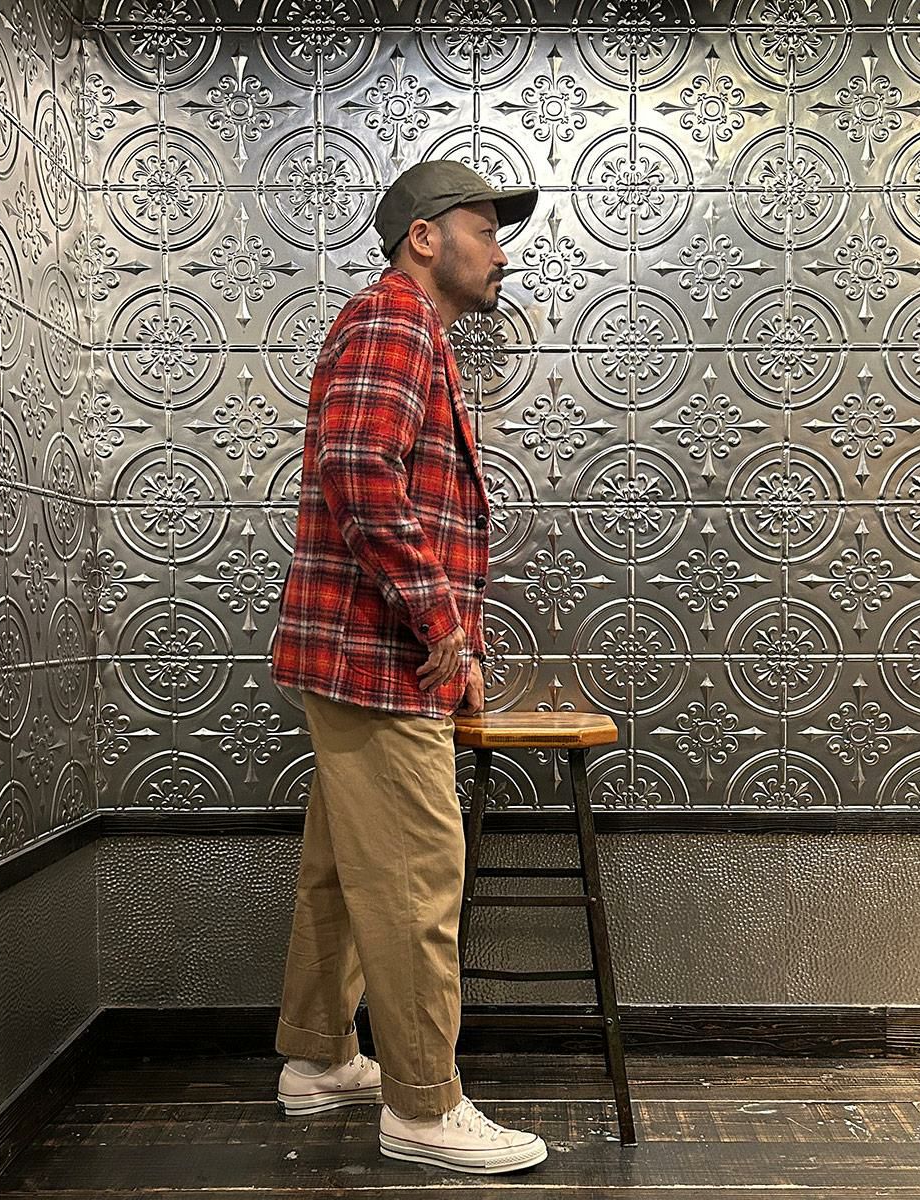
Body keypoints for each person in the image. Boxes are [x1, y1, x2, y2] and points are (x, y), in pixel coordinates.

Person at [269, 160, 547, 1175]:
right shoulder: (393, 320)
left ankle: (318, 1057)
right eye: (487, 230)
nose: (501, 252)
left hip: (355, 652)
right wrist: (443, 629)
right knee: (419, 879)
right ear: (425, 237)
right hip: (380, 658)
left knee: (344, 872)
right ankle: (424, 1107)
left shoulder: (408, 328)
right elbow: (359, 473)